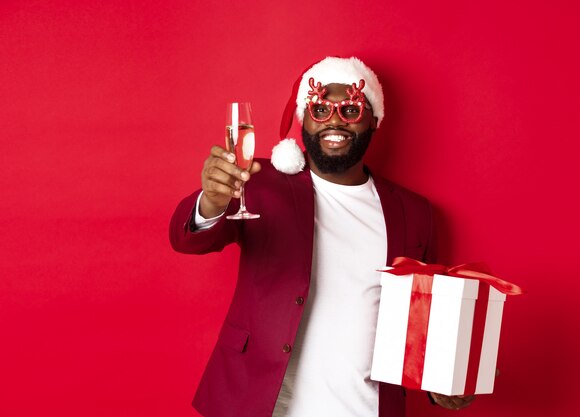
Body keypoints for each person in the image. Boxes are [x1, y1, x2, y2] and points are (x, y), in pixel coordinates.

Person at [169, 57, 475, 417]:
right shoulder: (258, 180)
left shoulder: (415, 213)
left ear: (373, 119)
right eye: (319, 109)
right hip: (263, 406)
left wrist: (445, 378)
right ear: (304, 118)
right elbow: (187, 239)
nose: (334, 120)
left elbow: (422, 320)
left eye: (350, 109)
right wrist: (213, 200)